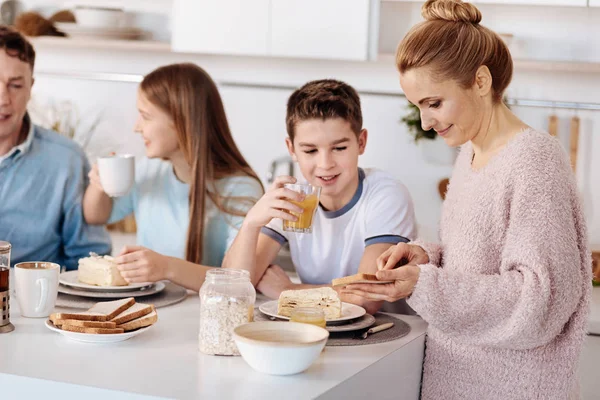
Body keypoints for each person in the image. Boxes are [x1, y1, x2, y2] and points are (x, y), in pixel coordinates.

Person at [343, 1, 591, 398]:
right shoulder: (470, 153)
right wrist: (425, 257)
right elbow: (476, 260)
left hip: (514, 387)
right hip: (457, 380)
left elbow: (539, 298)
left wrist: (425, 285)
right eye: (418, 106)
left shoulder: (534, 160)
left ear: (480, 81)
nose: (425, 122)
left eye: (434, 103)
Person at [223, 79, 417, 314]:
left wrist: (287, 291)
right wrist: (251, 223)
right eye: (310, 150)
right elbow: (231, 290)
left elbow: (368, 297)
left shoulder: (385, 195)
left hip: (384, 335)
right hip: (314, 328)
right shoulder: (294, 200)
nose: (325, 164)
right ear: (292, 149)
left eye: (339, 148)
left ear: (361, 142)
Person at [83, 63, 263, 291]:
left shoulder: (240, 189)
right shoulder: (150, 170)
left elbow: (238, 280)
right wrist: (99, 185)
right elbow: (96, 216)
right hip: (150, 308)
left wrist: (167, 267)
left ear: (181, 122)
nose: (137, 128)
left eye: (145, 117)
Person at [0, 26, 111, 270]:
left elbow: (90, 260)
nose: (3, 99)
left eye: (15, 85)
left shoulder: (66, 159)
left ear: (31, 87)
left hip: (36, 304)